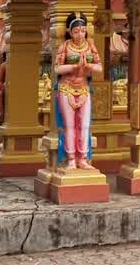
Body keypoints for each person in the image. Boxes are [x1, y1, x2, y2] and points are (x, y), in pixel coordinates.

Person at [53, 12, 102, 170]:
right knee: (69, 125)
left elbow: (99, 67)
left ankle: (83, 158)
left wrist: (89, 67)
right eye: (76, 31)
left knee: (85, 125)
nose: (80, 34)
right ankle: (71, 159)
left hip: (84, 89)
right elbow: (57, 68)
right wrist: (73, 67)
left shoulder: (90, 46)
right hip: (66, 88)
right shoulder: (65, 46)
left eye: (82, 30)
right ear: (69, 32)